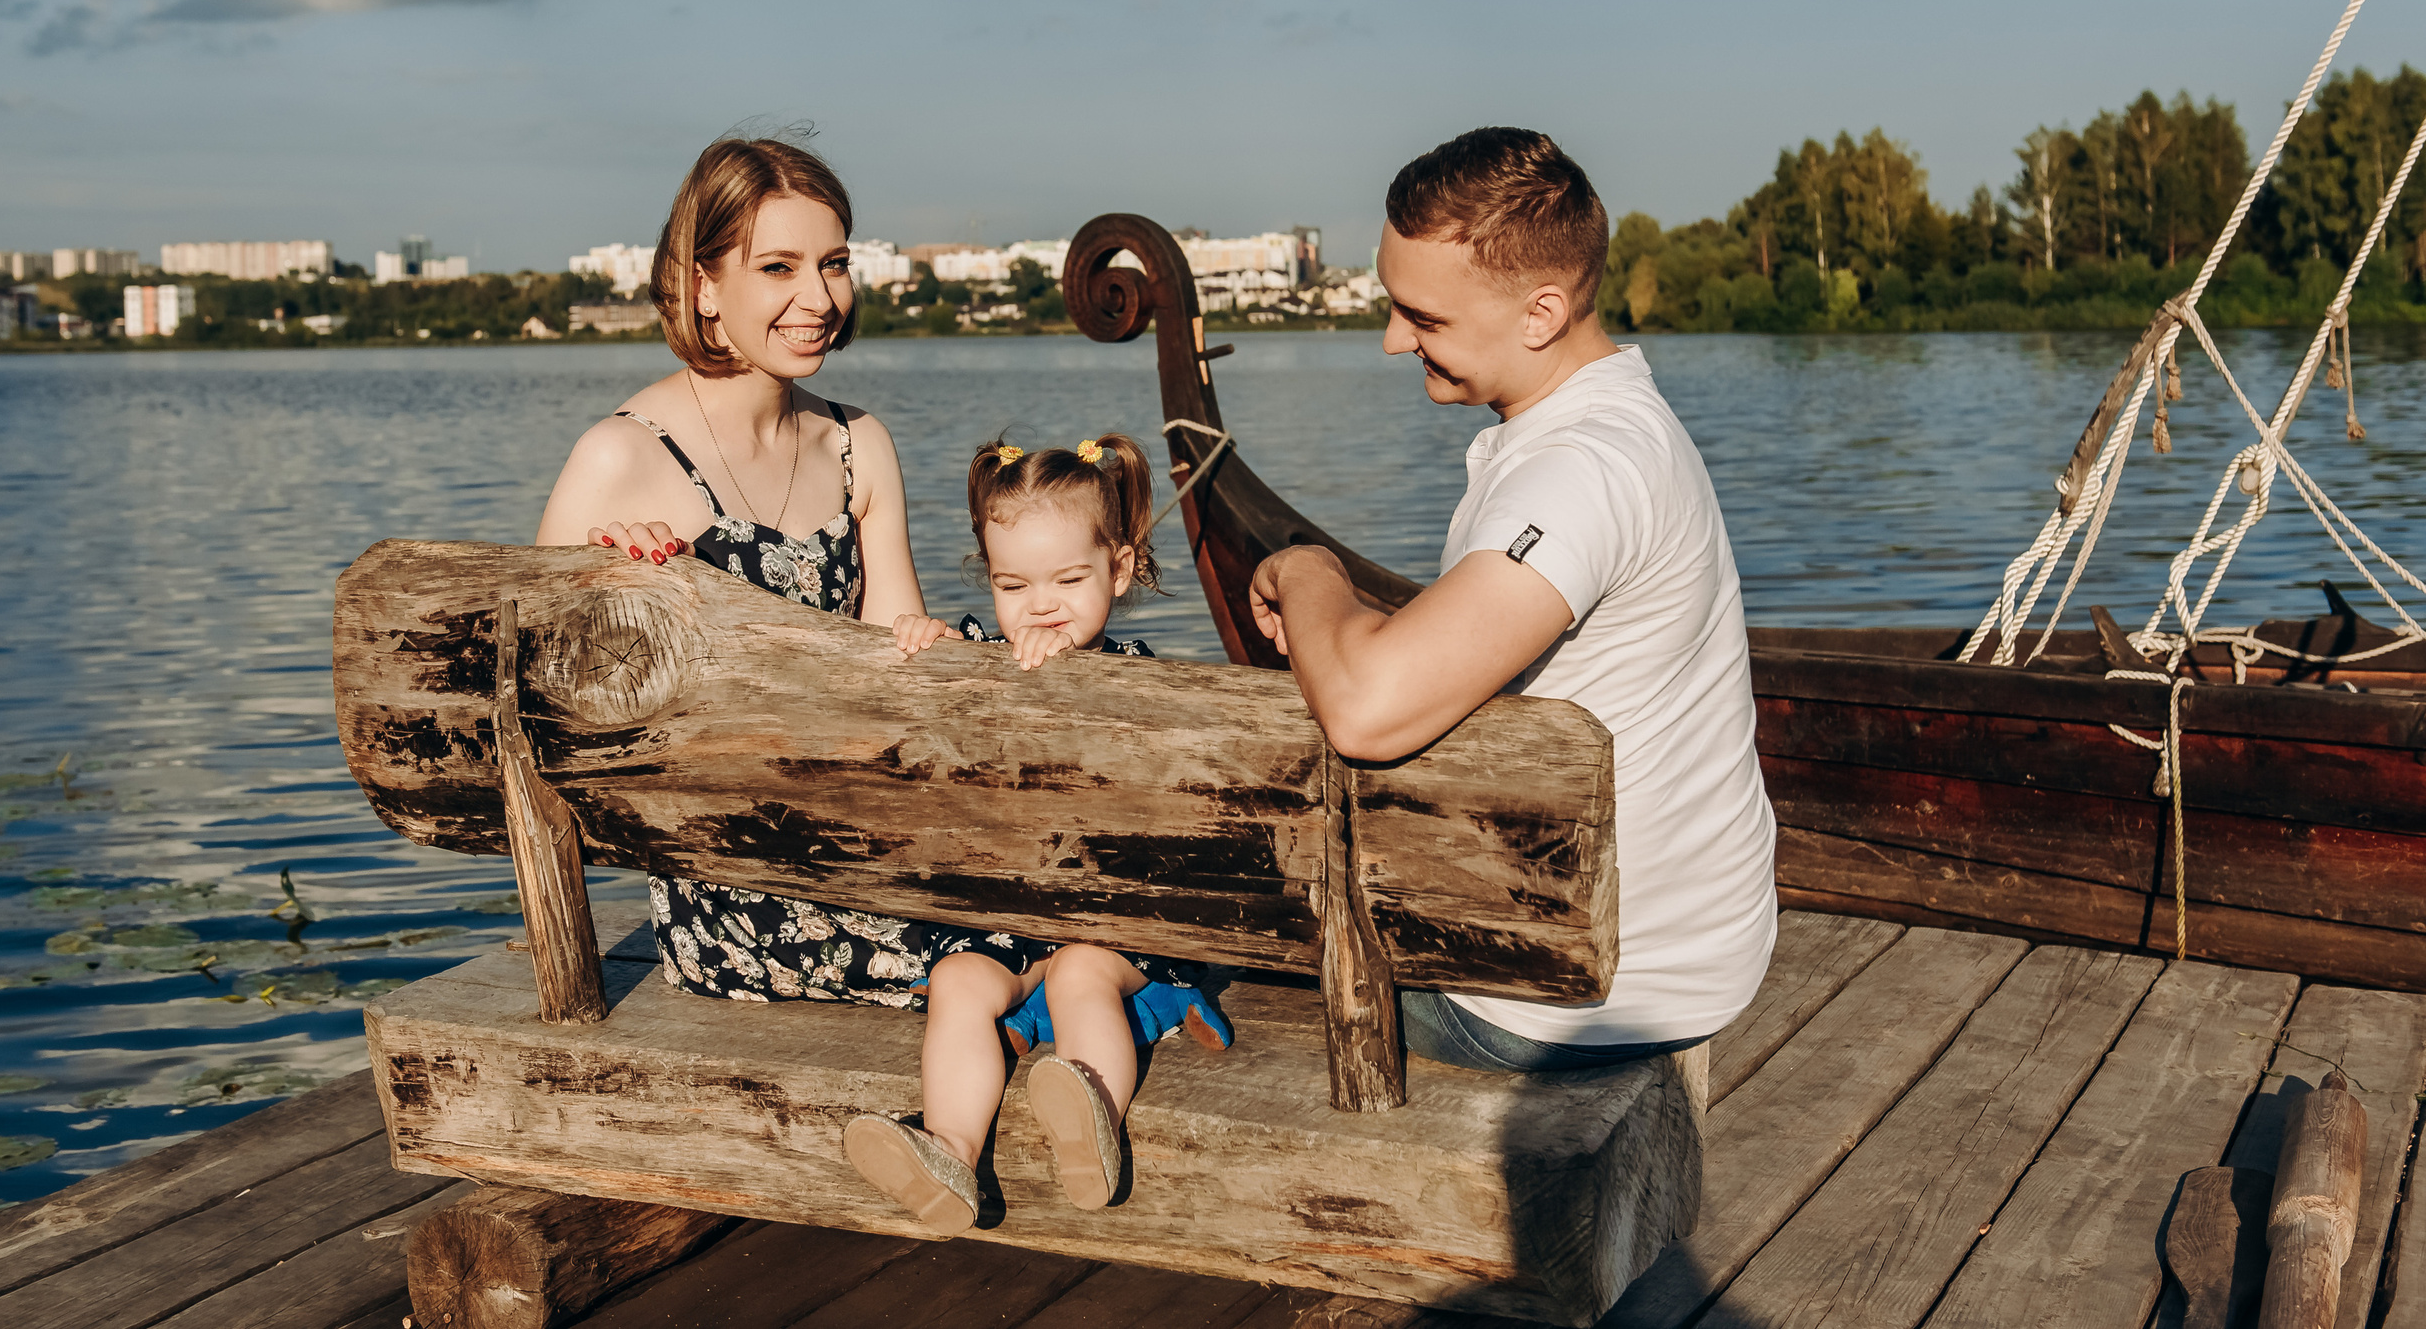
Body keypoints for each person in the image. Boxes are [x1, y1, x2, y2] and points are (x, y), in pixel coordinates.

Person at [1247, 126, 1776, 1073]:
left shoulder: (1586, 468)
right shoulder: (1608, 420)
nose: (1392, 339)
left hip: (1579, 989)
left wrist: (1308, 570)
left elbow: (1367, 710)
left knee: (1185, 944)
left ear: (1540, 313)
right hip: (1668, 948)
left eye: (1425, 318)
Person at [535, 134, 943, 1008]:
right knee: (1002, 949)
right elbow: (541, 723)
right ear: (704, 286)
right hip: (730, 884)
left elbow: (901, 680)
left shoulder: (856, 444)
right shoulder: (620, 459)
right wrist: (619, 596)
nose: (817, 297)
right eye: (778, 267)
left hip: (866, 834)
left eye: (833, 263)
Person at [845, 435, 1228, 1236]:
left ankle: (1093, 1117)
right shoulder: (987, 654)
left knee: (1082, 974)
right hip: (1014, 918)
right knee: (958, 980)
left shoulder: (1136, 672)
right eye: (1013, 584)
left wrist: (1069, 678)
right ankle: (950, 1145)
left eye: (1068, 580)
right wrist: (933, 651)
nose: (1040, 604)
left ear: (1118, 571)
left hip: (1113, 920)